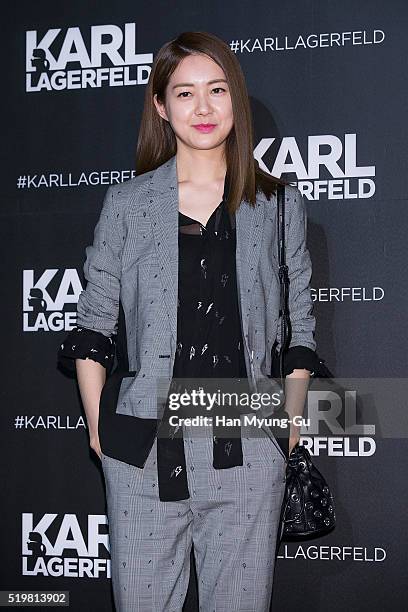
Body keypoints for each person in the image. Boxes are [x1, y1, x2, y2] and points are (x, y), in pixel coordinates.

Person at [58, 31, 319, 612]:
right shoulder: (128, 203)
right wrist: (101, 427)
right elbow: (94, 323)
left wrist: (290, 422)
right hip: (143, 446)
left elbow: (299, 324)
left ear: (236, 100)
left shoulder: (276, 204)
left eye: (217, 90)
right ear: (161, 106)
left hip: (248, 446)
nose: (203, 108)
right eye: (184, 93)